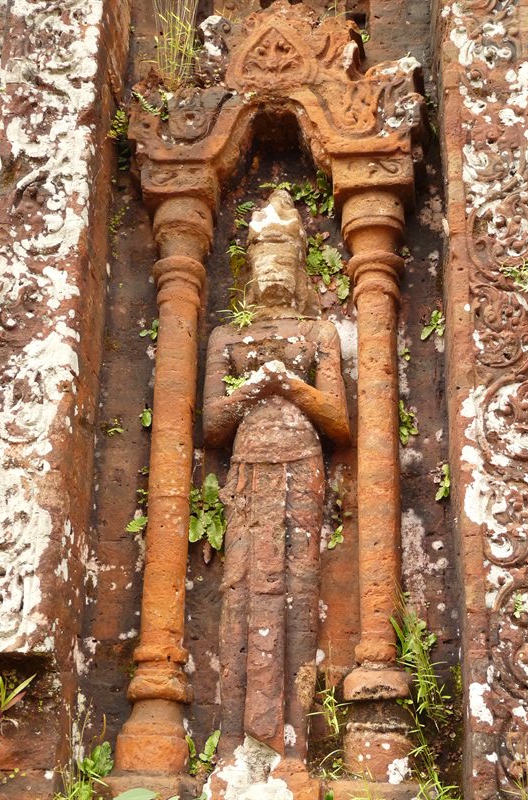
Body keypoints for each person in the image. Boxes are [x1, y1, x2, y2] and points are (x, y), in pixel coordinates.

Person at [203, 189, 350, 760]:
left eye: (282, 258)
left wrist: (288, 384)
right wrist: (250, 388)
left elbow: (339, 420)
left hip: (301, 467)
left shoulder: (318, 335)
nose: (273, 271)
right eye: (263, 257)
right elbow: (211, 425)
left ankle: (292, 742)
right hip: (247, 469)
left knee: (298, 588)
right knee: (240, 589)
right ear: (248, 266)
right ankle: (236, 742)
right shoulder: (225, 337)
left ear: (299, 265)